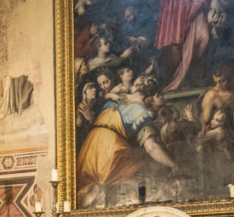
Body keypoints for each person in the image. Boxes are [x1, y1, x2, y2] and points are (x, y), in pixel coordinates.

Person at [75, 75, 179, 205]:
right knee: (146, 171)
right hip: (111, 152)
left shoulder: (115, 100)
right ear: (155, 95)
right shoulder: (142, 113)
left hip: (89, 151)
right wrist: (174, 165)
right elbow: (151, 147)